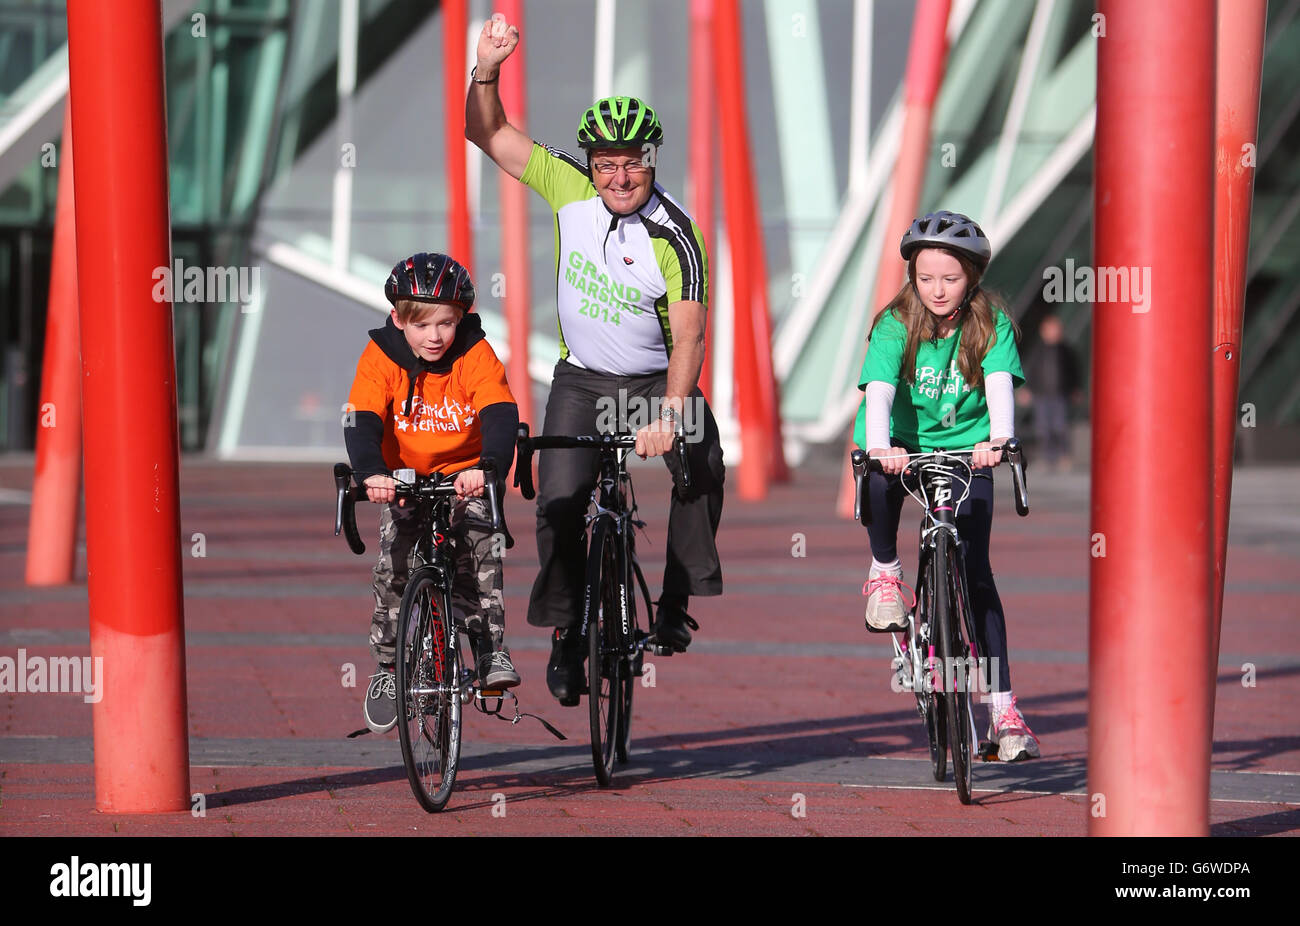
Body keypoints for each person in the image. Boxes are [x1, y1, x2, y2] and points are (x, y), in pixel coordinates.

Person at [465, 12, 725, 706]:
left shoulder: (678, 235)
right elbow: (487, 133)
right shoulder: (569, 189)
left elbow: (692, 338)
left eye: (631, 162)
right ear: (591, 165)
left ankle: (673, 603)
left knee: (699, 462)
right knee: (557, 500)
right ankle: (565, 635)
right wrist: (487, 67)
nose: (618, 176)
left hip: (652, 379)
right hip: (582, 378)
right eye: (606, 163)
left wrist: (671, 415)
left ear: (651, 160)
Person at [853, 211, 1039, 761]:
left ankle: (1003, 709)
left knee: (977, 573)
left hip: (967, 450)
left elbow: (1001, 386)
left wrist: (1000, 440)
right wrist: (884, 447)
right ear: (913, 274)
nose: (937, 289)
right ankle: (886, 573)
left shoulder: (991, 324)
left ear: (973, 278)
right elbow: (881, 391)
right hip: (901, 446)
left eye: (950, 279)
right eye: (926, 277)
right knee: (879, 480)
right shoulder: (894, 324)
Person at [344, 252, 521, 734]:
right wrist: (371, 473)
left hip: (465, 473)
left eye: (446, 323)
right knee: (394, 564)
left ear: (461, 318)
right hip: (403, 477)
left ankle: (489, 649)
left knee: (481, 549)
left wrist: (488, 467)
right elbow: (361, 420)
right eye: (422, 325)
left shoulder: (475, 353)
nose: (435, 336)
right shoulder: (381, 355)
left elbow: (500, 413)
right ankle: (387, 668)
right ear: (399, 319)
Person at [1020, 313, 1080, 472]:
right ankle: (1047, 458)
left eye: (1055, 329)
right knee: (1043, 428)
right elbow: (1031, 371)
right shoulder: (1038, 351)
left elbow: (1074, 371)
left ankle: (1063, 457)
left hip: (1060, 395)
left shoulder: (1066, 350)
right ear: (1043, 331)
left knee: (1060, 427)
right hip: (1041, 395)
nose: (1053, 332)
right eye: (1050, 329)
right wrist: (1027, 389)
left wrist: (1075, 389)